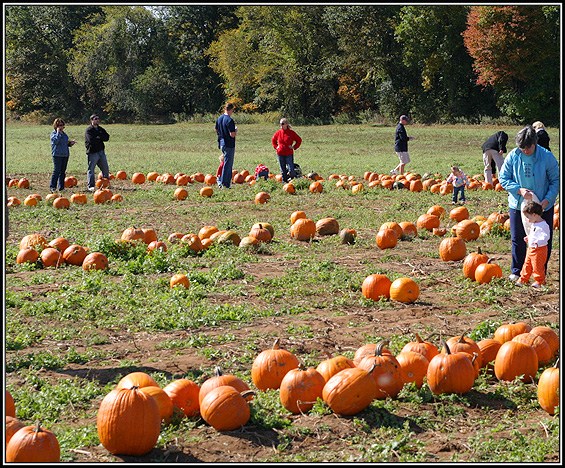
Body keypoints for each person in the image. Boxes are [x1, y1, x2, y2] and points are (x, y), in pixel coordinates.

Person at [498, 125, 559, 281]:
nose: (526, 150)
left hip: (542, 205)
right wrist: (518, 190)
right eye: (522, 148)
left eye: (529, 147)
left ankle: (540, 272)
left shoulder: (547, 156)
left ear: (535, 143)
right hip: (518, 204)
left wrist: (547, 200)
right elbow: (503, 178)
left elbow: (555, 181)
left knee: (543, 240)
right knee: (518, 237)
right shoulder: (513, 156)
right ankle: (517, 271)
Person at [515, 200, 551, 289]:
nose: (527, 219)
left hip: (539, 249)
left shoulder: (543, 225)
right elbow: (534, 234)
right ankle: (523, 279)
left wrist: (538, 242)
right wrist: (529, 237)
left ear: (534, 215)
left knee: (537, 266)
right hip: (531, 248)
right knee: (527, 264)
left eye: (528, 217)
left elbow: (545, 236)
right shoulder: (534, 223)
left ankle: (540, 280)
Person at [271, 118, 302, 183]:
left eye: (282, 123)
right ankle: (284, 182)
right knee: (283, 170)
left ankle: (293, 181)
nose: (281, 125)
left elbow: (299, 140)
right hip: (280, 153)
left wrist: (294, 147)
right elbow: (273, 140)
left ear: (286, 124)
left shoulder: (291, 133)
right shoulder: (278, 132)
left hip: (289, 153)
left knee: (291, 169)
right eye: (280, 124)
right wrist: (276, 147)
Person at [50, 118, 76, 192]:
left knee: (63, 172)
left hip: (65, 154)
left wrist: (70, 143)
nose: (62, 127)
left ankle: (61, 187)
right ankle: (52, 187)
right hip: (57, 155)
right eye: (60, 125)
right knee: (56, 171)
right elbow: (56, 141)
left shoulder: (64, 134)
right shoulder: (53, 134)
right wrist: (58, 132)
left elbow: (65, 143)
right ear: (56, 126)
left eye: (62, 125)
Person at [85, 114, 110, 191]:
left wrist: (99, 137)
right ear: (91, 120)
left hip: (101, 152)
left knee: (105, 169)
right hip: (92, 152)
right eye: (96, 119)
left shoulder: (100, 129)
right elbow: (91, 140)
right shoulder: (89, 130)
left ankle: (106, 184)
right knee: (91, 169)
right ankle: (91, 185)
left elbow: (107, 137)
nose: (97, 120)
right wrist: (99, 138)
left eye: (98, 119)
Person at [215, 102, 237, 189]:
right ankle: (224, 183)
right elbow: (232, 134)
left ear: (225, 109)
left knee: (225, 163)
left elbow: (216, 129)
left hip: (221, 143)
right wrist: (235, 131)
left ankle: (222, 180)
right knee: (228, 164)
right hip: (229, 144)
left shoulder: (220, 118)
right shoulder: (230, 120)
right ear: (231, 109)